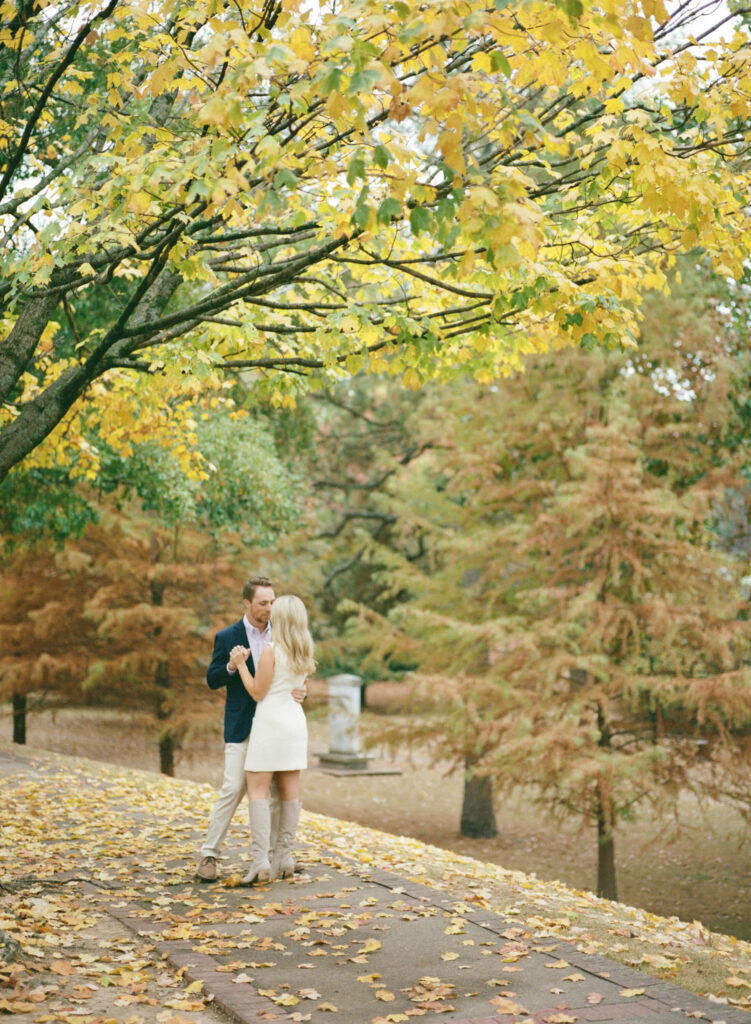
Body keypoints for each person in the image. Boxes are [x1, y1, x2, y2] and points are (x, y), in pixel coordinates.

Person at [195, 576, 307, 882]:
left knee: (274, 791)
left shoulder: (284, 635)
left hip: (275, 726)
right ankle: (209, 854)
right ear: (247, 603)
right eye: (262, 603)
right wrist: (233, 665)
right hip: (243, 724)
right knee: (233, 788)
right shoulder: (228, 636)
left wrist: (301, 691)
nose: (269, 608)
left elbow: (296, 676)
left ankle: (275, 856)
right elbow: (213, 679)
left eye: (272, 602)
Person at [228, 594, 314, 884]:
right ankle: (284, 857)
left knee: (258, 791)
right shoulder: (304, 653)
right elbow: (298, 687)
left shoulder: (270, 651)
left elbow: (256, 692)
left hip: (269, 724)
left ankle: (260, 861)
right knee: (290, 792)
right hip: (294, 725)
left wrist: (240, 664)